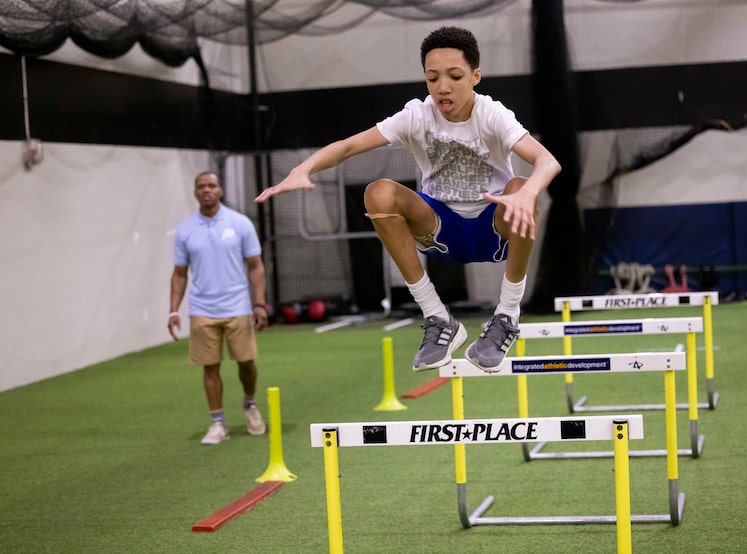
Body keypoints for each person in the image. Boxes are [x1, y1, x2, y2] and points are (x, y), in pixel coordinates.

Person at [255, 26, 561, 373]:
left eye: (455, 76)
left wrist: (529, 193)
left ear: (476, 75)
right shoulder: (416, 116)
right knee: (378, 192)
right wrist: (304, 168)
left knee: (522, 186)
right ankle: (437, 317)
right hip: (439, 230)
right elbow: (349, 146)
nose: (442, 87)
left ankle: (507, 316)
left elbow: (548, 161)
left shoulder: (492, 115)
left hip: (494, 228)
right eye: (433, 78)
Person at [169, 171, 269, 445]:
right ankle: (218, 424)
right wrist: (173, 310)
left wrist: (259, 304)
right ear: (195, 192)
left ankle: (250, 405)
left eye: (211, 185)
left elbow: (255, 266)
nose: (206, 190)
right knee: (209, 367)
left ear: (220, 190)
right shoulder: (186, 230)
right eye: (201, 186)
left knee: (246, 362)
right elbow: (179, 273)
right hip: (202, 309)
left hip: (237, 306)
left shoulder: (240, 224)